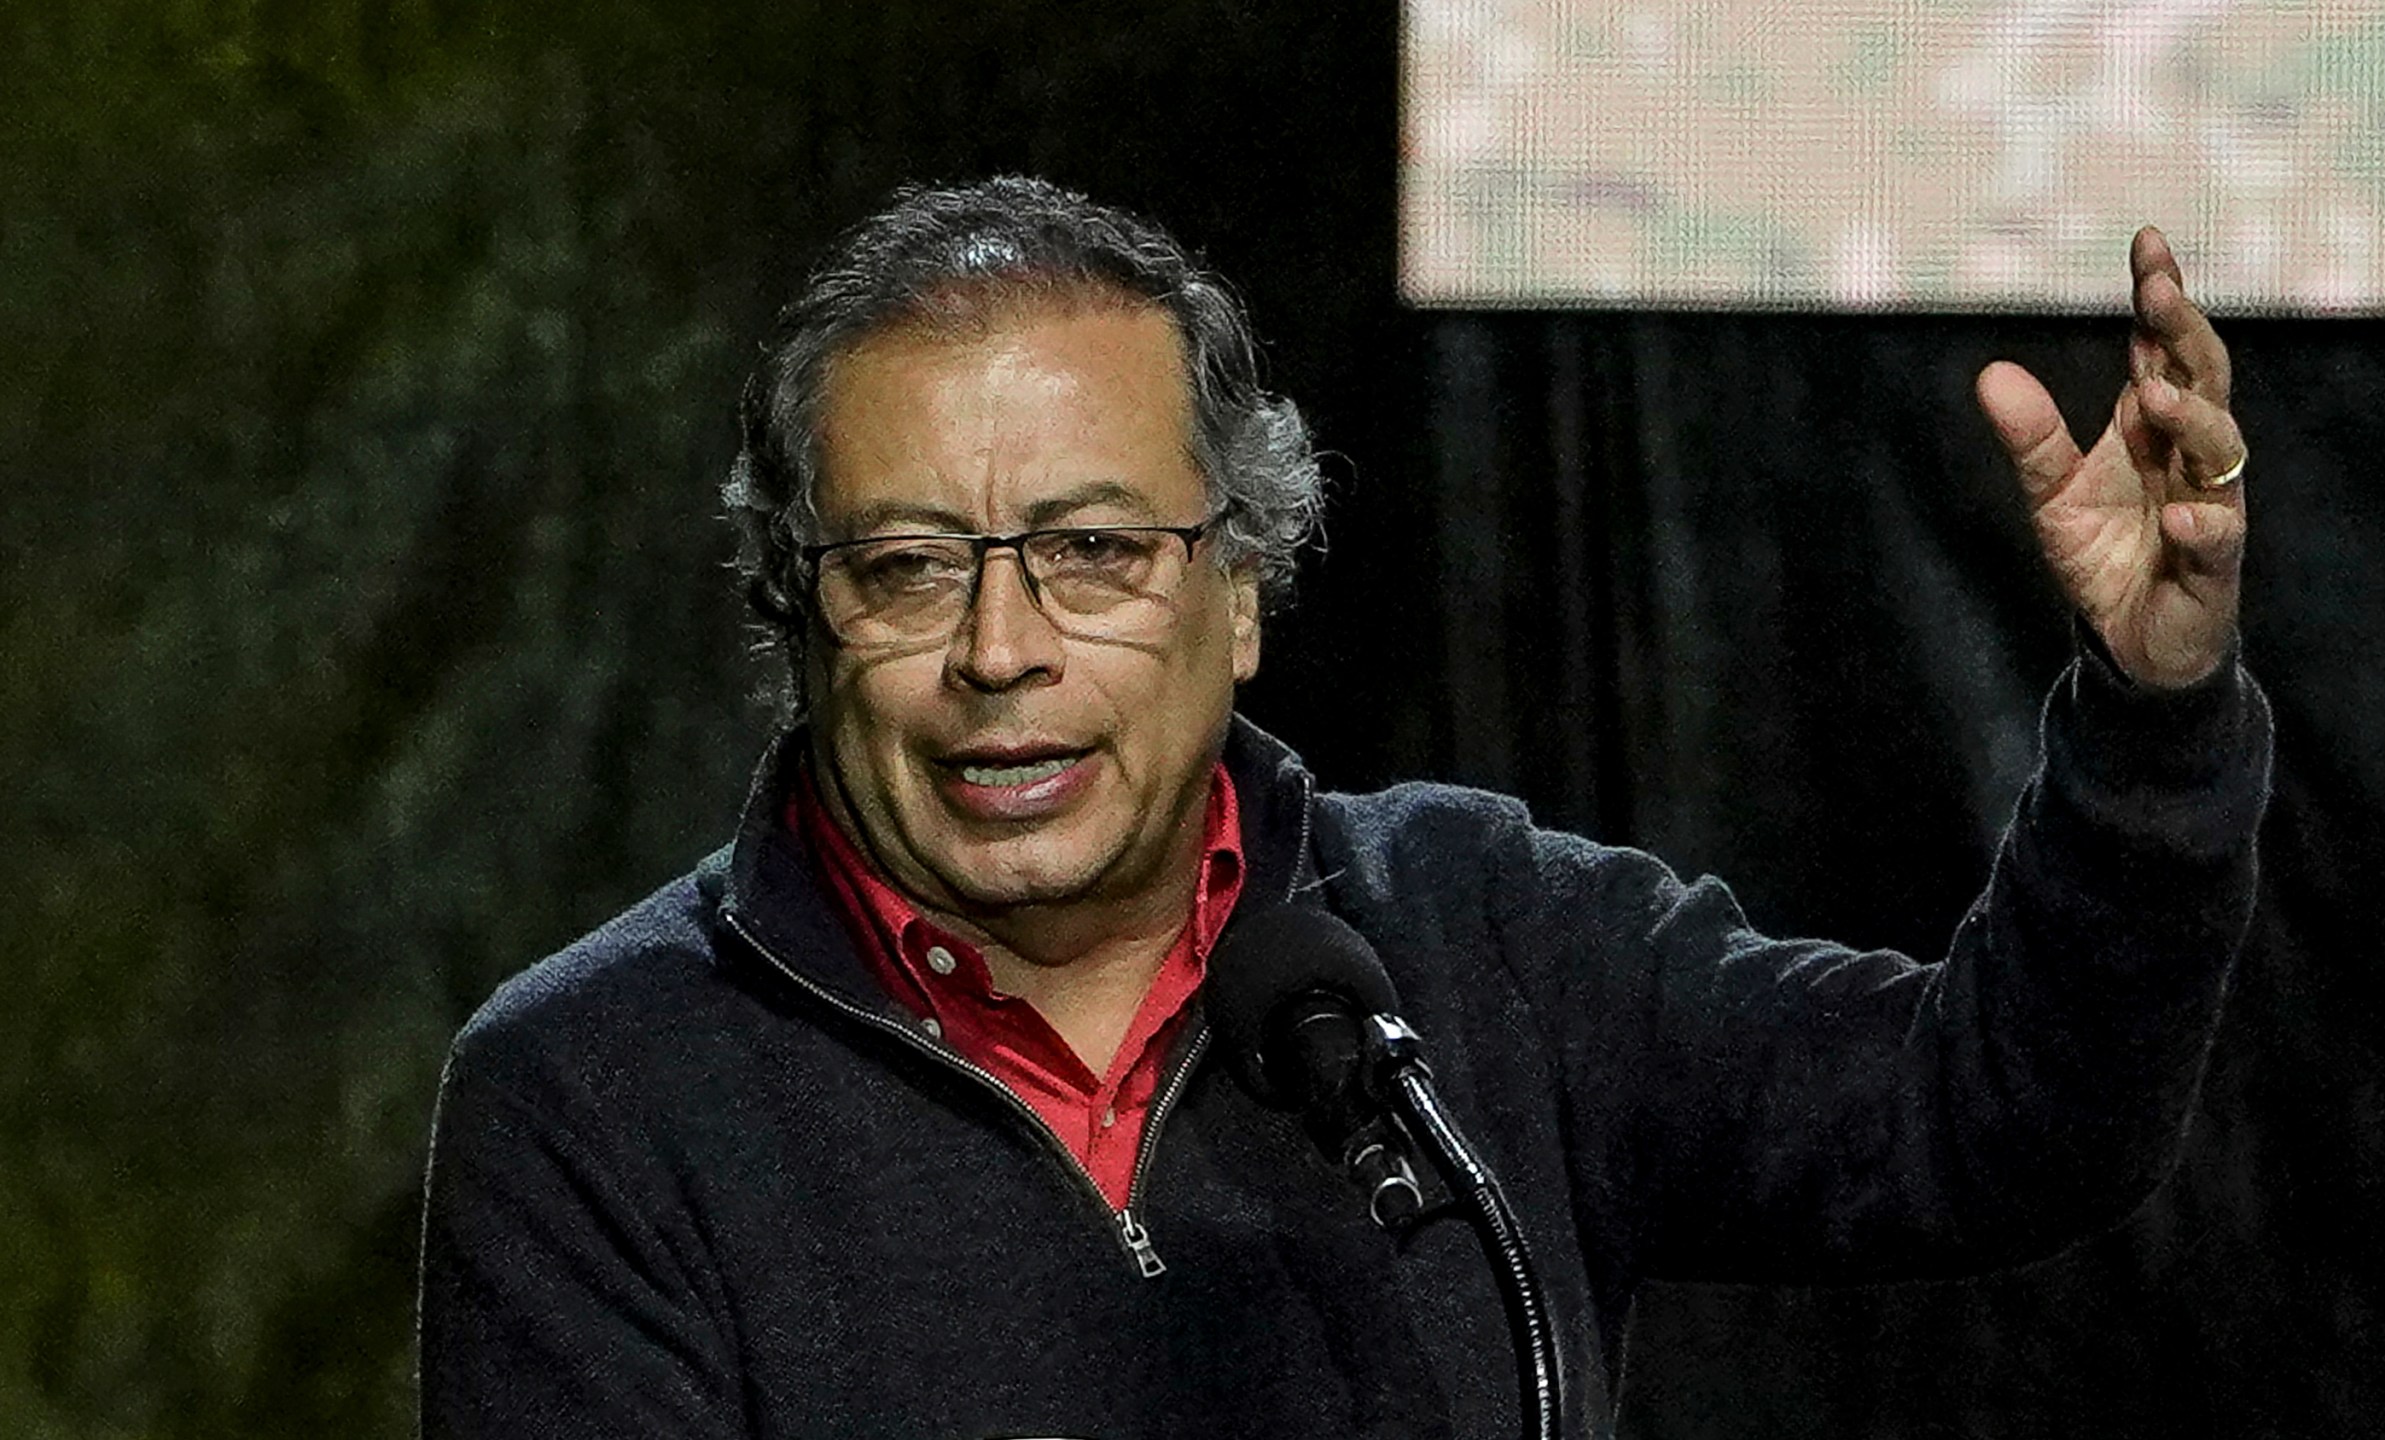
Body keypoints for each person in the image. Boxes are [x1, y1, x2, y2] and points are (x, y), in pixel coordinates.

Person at [418, 176, 2270, 1439]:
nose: (1001, 648)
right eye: (905, 566)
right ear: (793, 615)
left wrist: (2156, 715)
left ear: (1240, 587)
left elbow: (2003, 1124)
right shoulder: (596, 1090)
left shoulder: (1478, 932)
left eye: (1091, 553)